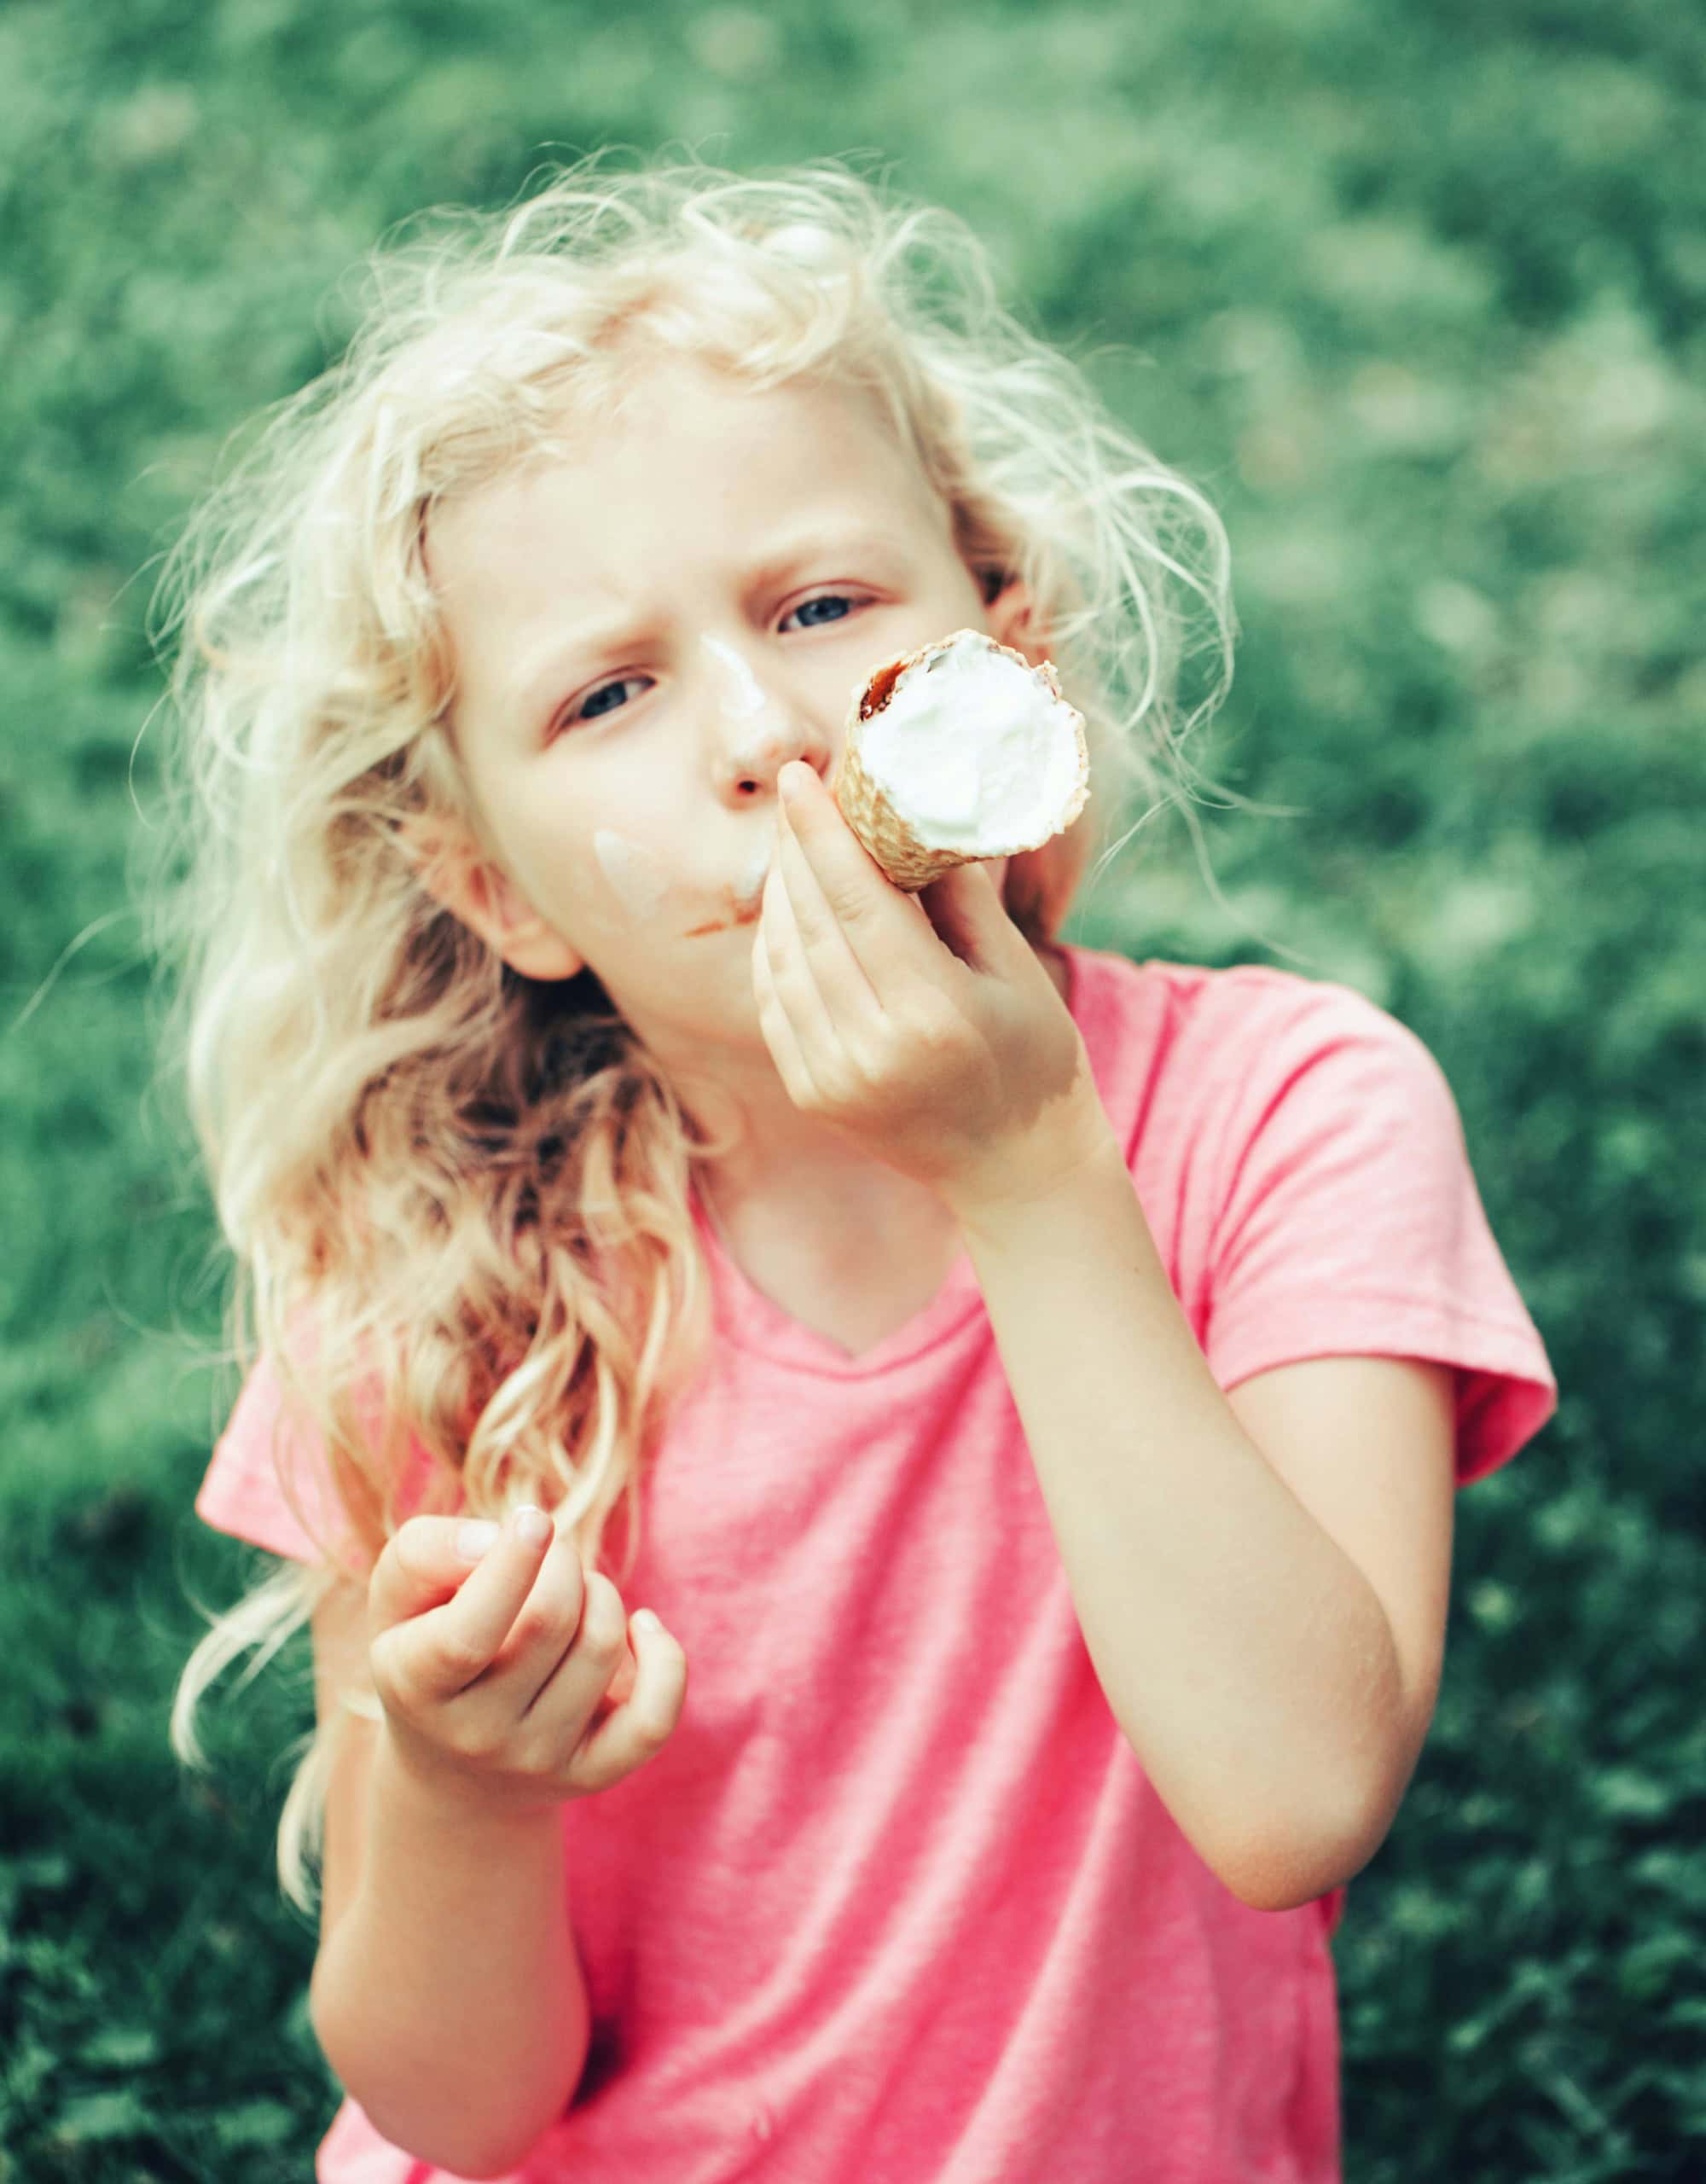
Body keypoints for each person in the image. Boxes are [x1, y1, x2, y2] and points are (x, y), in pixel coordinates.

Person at [161, 155, 1557, 2184]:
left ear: (1016, 649)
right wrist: (463, 1793)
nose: (759, 727)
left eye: (822, 605)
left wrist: (1023, 1162)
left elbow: (1293, 1794)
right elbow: (457, 2100)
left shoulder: (1290, 1116)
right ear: (501, 888)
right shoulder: (449, 1267)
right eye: (608, 692)